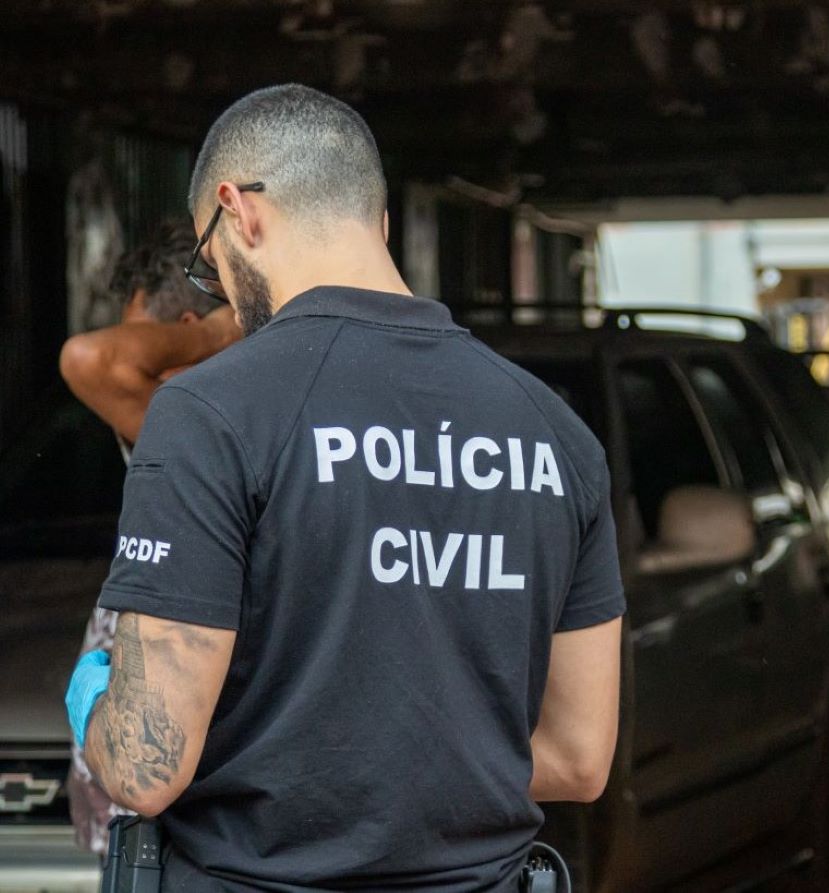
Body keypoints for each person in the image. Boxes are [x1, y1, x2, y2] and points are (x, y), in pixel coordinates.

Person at [65, 84, 625, 889]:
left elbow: (147, 766)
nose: (217, 285)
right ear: (381, 224)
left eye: (207, 261)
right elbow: (577, 759)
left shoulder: (209, 411)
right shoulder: (556, 433)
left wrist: (93, 696)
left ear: (239, 211)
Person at [59, 220, 242, 858]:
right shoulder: (181, 408)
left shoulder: (189, 405)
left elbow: (90, 357)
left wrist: (227, 325)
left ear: (183, 334)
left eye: (146, 332)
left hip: (179, 743)